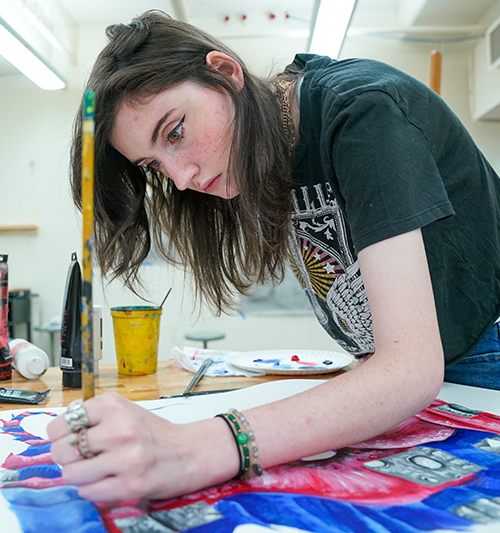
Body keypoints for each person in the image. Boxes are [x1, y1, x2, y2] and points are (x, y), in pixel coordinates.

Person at [48, 10, 500, 502]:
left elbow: (411, 365)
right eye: (154, 165)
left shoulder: (361, 112)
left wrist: (196, 447)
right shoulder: (270, 143)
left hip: (481, 363)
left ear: (225, 72)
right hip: (419, 380)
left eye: (175, 132)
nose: (181, 177)